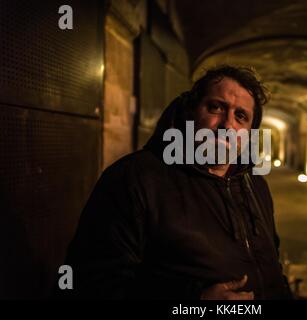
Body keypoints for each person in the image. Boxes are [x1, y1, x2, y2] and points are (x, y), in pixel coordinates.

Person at [56, 65, 292, 300]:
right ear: (191, 112)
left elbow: (271, 266)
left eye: (241, 116)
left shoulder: (254, 184)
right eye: (216, 107)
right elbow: (90, 282)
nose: (227, 125)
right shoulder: (135, 179)